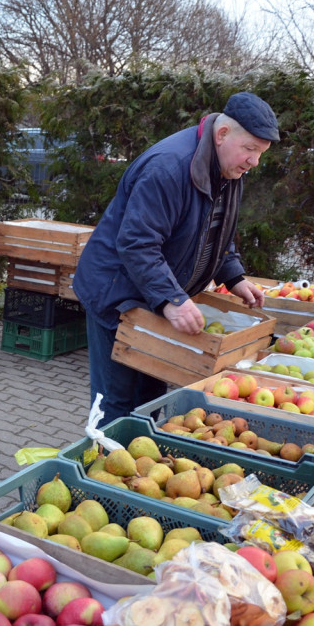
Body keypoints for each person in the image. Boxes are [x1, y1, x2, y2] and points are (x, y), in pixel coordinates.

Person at [73, 92, 280, 427]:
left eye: (261, 154)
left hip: (152, 295)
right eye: (250, 149)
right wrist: (172, 299)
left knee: (150, 397)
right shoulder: (168, 168)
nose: (254, 162)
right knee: (116, 400)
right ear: (222, 134)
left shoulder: (228, 169)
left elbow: (215, 232)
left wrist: (235, 277)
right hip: (117, 292)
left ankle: (139, 465)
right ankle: (102, 465)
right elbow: (138, 243)